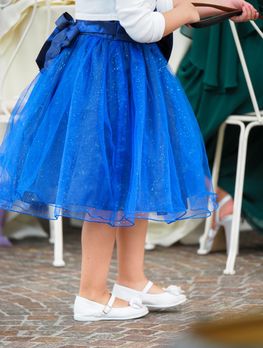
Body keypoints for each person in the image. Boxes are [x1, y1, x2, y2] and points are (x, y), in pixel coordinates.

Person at [0, 0, 258, 321]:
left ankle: (131, 280)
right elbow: (142, 26)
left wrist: (220, 6)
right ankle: (91, 294)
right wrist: (187, 14)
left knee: (134, 174)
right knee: (108, 183)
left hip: (125, 65)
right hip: (111, 68)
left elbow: (159, 4)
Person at [177, 0, 263, 253]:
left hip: (233, 60)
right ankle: (224, 198)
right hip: (252, 60)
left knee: (163, 123)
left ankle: (222, 199)